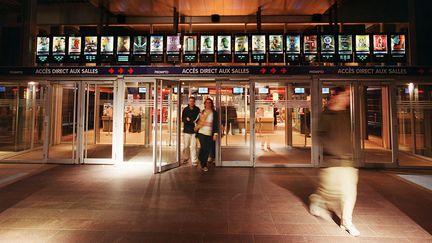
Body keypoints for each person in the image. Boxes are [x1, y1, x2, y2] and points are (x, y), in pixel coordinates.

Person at [309, 87, 360, 237]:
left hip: (348, 162)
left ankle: (347, 222)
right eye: (345, 96)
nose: (347, 99)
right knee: (328, 192)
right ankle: (317, 200)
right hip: (331, 162)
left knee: (349, 192)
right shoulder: (326, 115)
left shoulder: (347, 115)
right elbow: (320, 136)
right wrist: (333, 150)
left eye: (348, 97)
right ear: (335, 97)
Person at [195, 98, 218, 172]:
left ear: (211, 104)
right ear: (204, 104)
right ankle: (203, 164)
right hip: (201, 132)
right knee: (203, 147)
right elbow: (197, 121)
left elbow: (215, 124)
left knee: (207, 149)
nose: (208, 104)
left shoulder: (214, 113)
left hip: (209, 133)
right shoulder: (202, 112)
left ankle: (200, 158)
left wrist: (215, 134)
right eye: (206, 103)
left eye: (209, 103)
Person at [182, 97, 200, 166]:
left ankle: (194, 160)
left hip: (194, 130)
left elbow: (199, 119)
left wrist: (196, 124)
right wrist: (186, 119)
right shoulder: (185, 109)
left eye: (193, 101)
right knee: (186, 146)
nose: (191, 102)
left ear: (194, 102)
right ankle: (186, 158)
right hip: (187, 130)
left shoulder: (197, 109)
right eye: (190, 101)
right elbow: (182, 119)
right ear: (188, 102)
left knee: (193, 146)